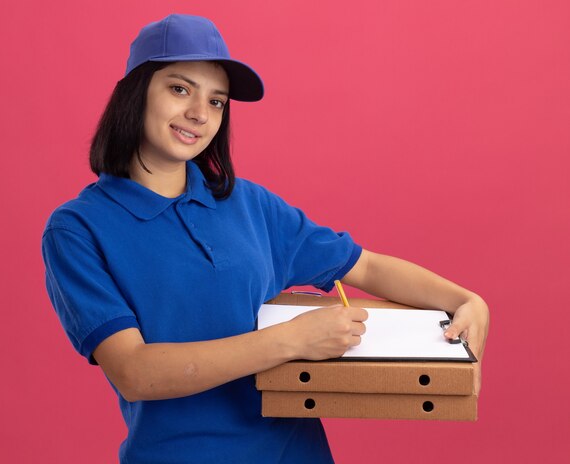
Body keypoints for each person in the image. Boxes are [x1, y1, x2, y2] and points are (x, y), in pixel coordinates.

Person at [42, 13, 489, 464]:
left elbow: (365, 266)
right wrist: (293, 341)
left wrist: (466, 300)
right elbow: (135, 372)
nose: (199, 114)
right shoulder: (78, 229)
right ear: (135, 94)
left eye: (217, 102)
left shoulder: (248, 204)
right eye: (180, 89)